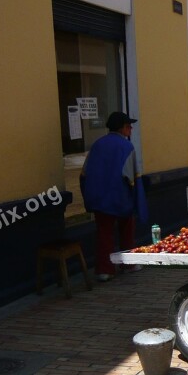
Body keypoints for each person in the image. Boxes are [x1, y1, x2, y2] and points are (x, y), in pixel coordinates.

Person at [81, 111, 143, 282]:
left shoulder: (97, 145)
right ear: (122, 127)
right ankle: (128, 264)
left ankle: (104, 270)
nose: (130, 128)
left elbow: (84, 174)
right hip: (120, 197)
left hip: (100, 198)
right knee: (126, 231)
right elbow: (132, 177)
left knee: (104, 234)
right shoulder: (126, 147)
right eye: (128, 126)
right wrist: (137, 200)